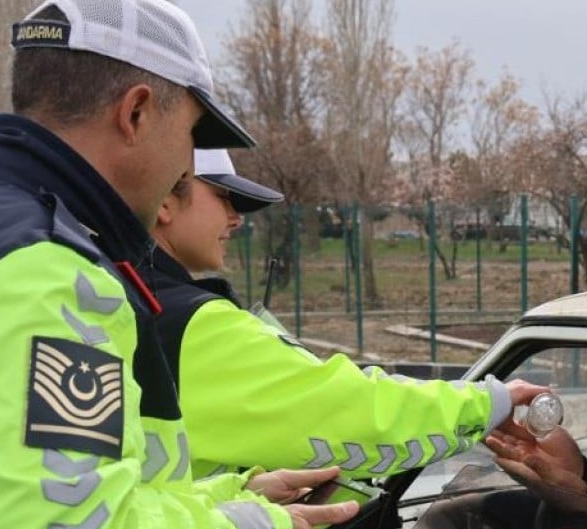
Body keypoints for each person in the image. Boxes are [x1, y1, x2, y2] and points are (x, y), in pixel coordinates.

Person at [0, 2, 354, 529]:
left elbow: (6, 495)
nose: (185, 169)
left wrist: (225, 501)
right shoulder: (47, 275)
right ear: (138, 112)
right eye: (192, 136)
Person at [146, 148, 545, 481]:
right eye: (222, 197)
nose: (236, 218)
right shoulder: (192, 324)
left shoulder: (130, 297)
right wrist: (487, 403)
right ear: (164, 199)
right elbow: (352, 410)